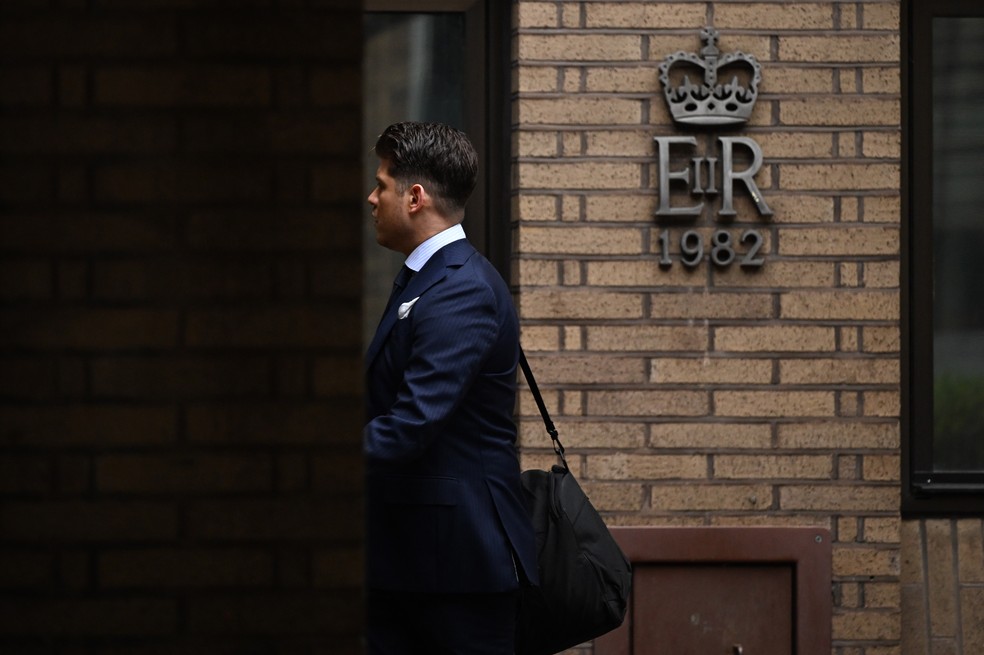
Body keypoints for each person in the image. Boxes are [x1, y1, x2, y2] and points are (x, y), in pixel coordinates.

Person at [363, 121, 537, 654]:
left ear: (414, 198)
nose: (372, 198)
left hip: (457, 570)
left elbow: (413, 422)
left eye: (383, 185)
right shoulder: (429, 278)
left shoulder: (461, 287)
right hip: (417, 562)